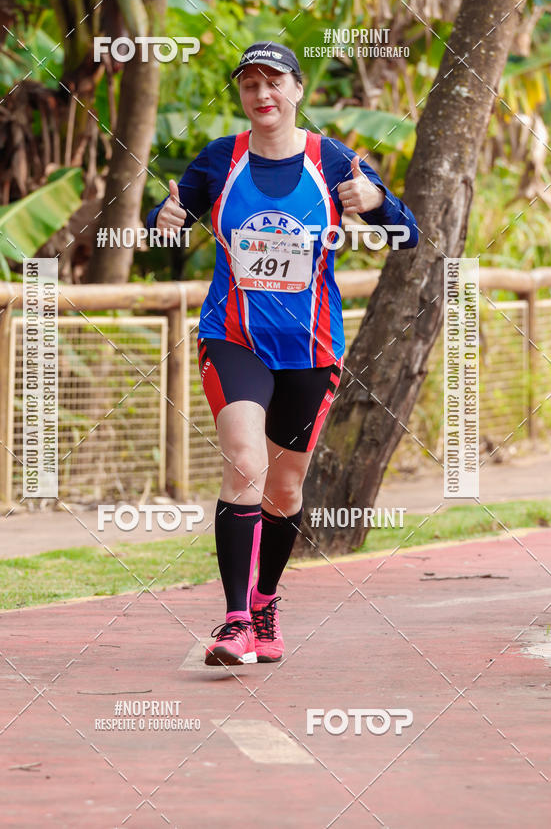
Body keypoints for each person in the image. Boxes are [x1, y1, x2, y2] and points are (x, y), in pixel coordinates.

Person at [146, 41, 418, 667]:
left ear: (297, 90)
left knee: (285, 489)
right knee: (245, 463)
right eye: (249, 85)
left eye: (274, 82)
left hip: (310, 349)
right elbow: (170, 219)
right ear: (241, 95)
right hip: (233, 337)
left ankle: (265, 602)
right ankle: (235, 622)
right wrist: (163, 217)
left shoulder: (336, 163)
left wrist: (376, 205)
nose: (262, 94)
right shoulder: (221, 160)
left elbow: (408, 236)